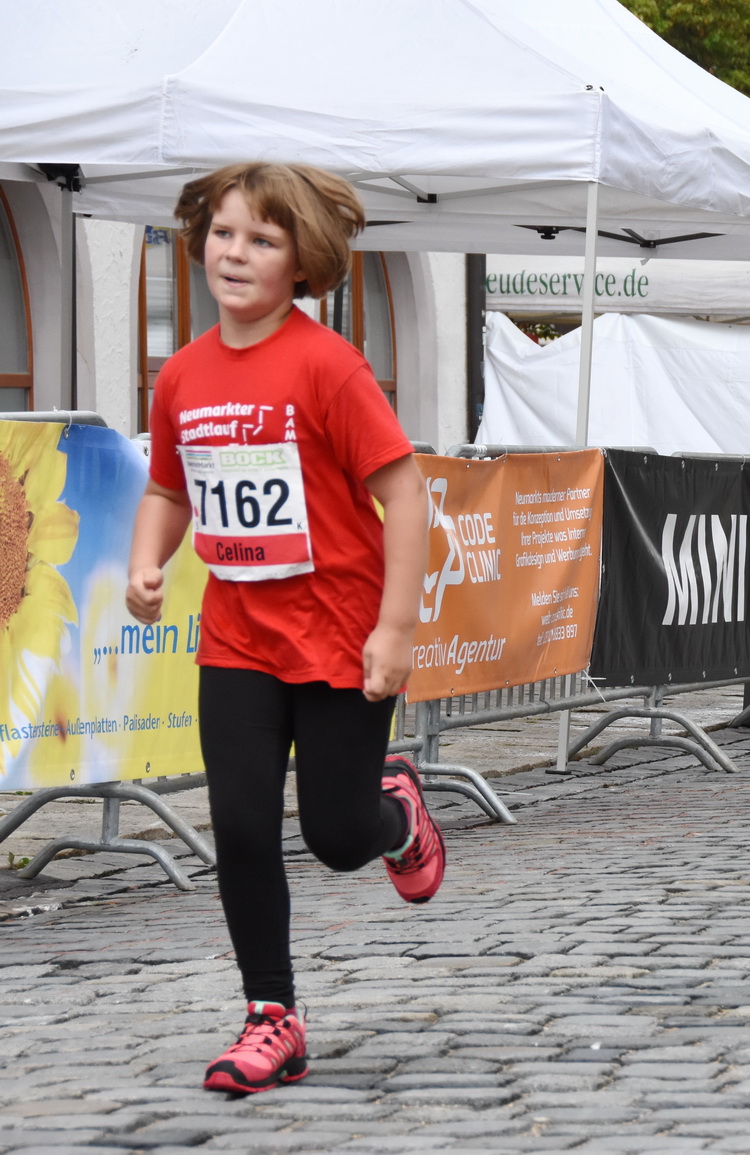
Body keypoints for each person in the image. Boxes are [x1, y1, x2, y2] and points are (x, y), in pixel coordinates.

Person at [125, 163, 441, 1095]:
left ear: (303, 263)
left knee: (337, 834)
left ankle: (396, 814)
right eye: (224, 232)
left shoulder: (326, 366)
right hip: (237, 641)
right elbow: (166, 487)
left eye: (262, 239)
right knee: (242, 829)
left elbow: (406, 496)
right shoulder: (182, 374)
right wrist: (149, 561)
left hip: (341, 634)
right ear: (199, 241)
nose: (237, 252)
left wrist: (396, 627)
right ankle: (273, 1015)